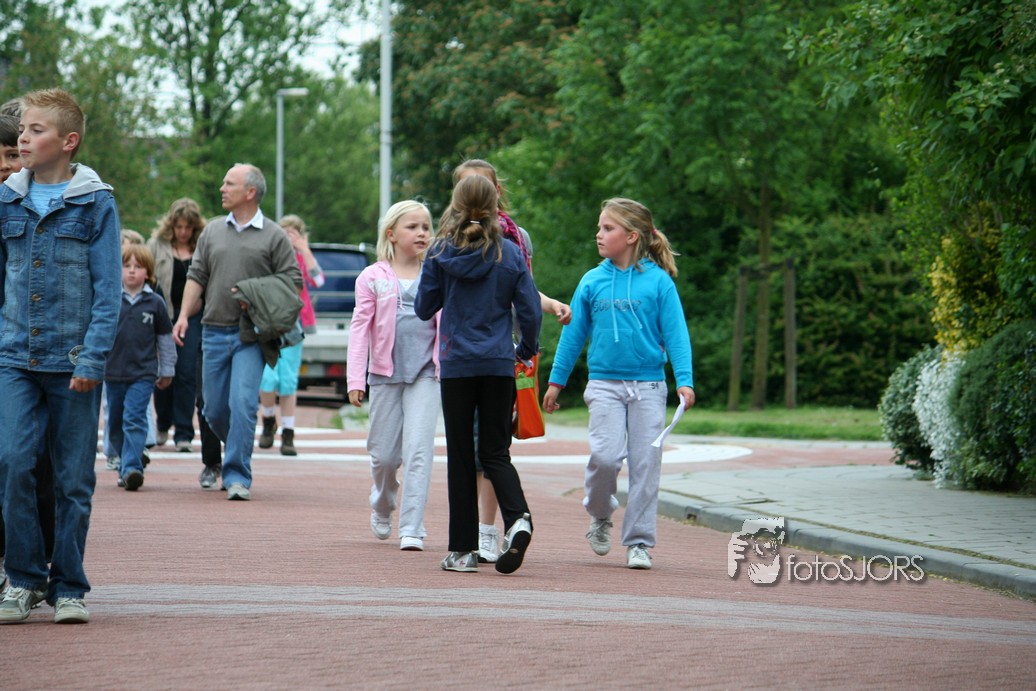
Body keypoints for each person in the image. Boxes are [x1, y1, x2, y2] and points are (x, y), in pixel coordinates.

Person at [0, 88, 122, 624]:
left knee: (72, 479)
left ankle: (69, 585)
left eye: (36, 130)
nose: (23, 138)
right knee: (12, 463)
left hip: (73, 362)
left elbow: (109, 290)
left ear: (68, 141)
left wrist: (92, 359)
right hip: (13, 359)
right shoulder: (6, 200)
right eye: (22, 130)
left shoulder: (96, 203)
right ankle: (24, 579)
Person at [542, 198, 695, 570]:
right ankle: (600, 513)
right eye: (599, 227)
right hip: (604, 386)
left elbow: (677, 334)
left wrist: (685, 380)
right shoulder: (592, 281)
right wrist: (556, 382)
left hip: (649, 387)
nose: (598, 234)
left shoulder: (658, 282)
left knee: (646, 464)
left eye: (607, 228)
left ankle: (639, 541)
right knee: (605, 458)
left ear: (631, 236)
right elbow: (572, 335)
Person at [415, 174, 541, 574]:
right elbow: (530, 311)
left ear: (455, 205)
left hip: (457, 365)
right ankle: (518, 518)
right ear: (494, 206)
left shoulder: (440, 251)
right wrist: (526, 349)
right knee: (495, 452)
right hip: (498, 363)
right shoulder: (510, 253)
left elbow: (423, 307)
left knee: (460, 456)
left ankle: (463, 551)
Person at [452, 158, 571, 563]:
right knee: (484, 448)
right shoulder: (449, 240)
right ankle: (494, 527)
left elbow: (525, 292)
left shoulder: (515, 239)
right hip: (483, 355)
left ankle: (484, 533)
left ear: (496, 191)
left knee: (490, 446)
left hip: (495, 355)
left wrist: (548, 307)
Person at [172, 163, 301, 501]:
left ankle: (237, 475)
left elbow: (293, 283)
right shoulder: (212, 231)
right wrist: (183, 316)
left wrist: (255, 293)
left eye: (229, 183)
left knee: (242, 404)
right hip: (212, 331)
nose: (222, 188)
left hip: (250, 336)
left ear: (250, 192)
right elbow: (196, 276)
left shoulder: (274, 235)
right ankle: (237, 447)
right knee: (213, 409)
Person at [348, 201, 439, 552]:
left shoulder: (436, 273)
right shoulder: (372, 277)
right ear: (391, 234)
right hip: (384, 374)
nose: (421, 233)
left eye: (426, 227)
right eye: (412, 227)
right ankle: (383, 502)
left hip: (426, 374)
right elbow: (360, 329)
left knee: (419, 451)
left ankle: (412, 526)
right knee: (384, 456)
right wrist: (355, 379)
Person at [107, 244, 176, 491]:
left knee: (134, 418)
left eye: (138, 267)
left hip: (143, 374)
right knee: (115, 422)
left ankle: (132, 468)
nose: (132, 271)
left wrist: (167, 370)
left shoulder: (155, 303)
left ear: (148, 273)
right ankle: (121, 461)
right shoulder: (110, 300)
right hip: (112, 372)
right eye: (127, 266)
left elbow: (165, 339)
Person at [258, 214, 324, 456]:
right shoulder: (270, 256)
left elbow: (318, 280)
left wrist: (304, 249)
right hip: (269, 322)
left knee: (287, 381)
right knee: (267, 378)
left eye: (292, 235)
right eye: (283, 234)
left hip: (294, 325)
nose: (287, 239)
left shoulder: (300, 258)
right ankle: (268, 421)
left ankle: (288, 433)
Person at [149, 198, 206, 452]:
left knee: (186, 372)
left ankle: (184, 431)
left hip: (193, 317)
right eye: (179, 226)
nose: (183, 232)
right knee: (163, 370)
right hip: (163, 315)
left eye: (188, 227)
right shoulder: (156, 245)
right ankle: (163, 422)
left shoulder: (202, 247)